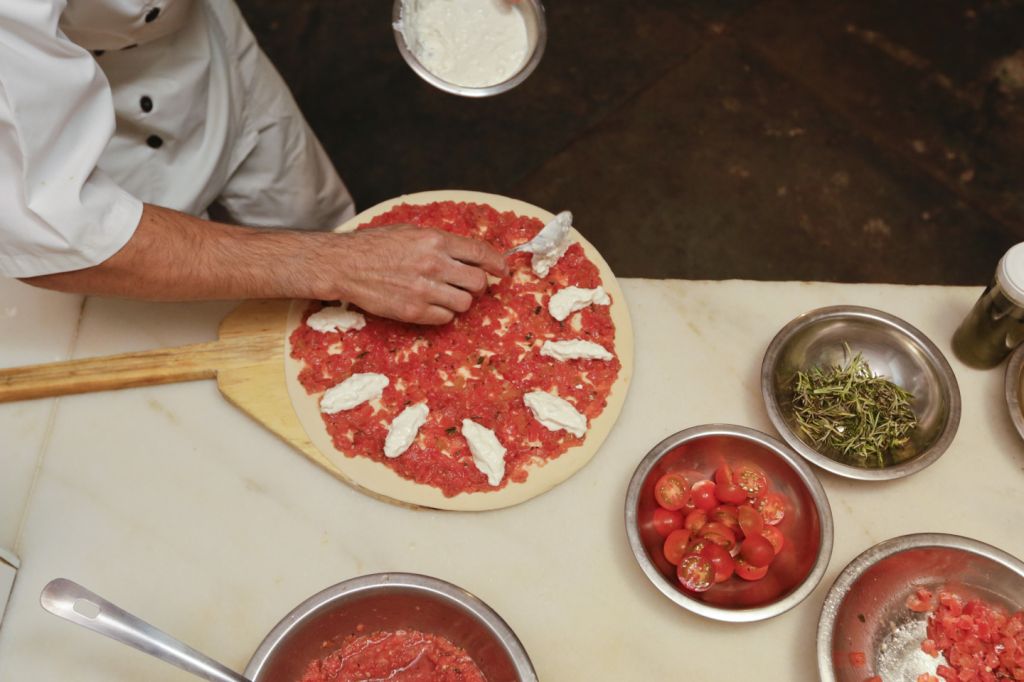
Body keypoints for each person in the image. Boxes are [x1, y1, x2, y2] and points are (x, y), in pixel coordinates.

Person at [0, 0, 506, 325]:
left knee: (315, 212)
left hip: (204, 40)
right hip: (71, 135)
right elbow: (65, 233)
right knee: (175, 330)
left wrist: (348, 258)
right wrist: (340, 262)